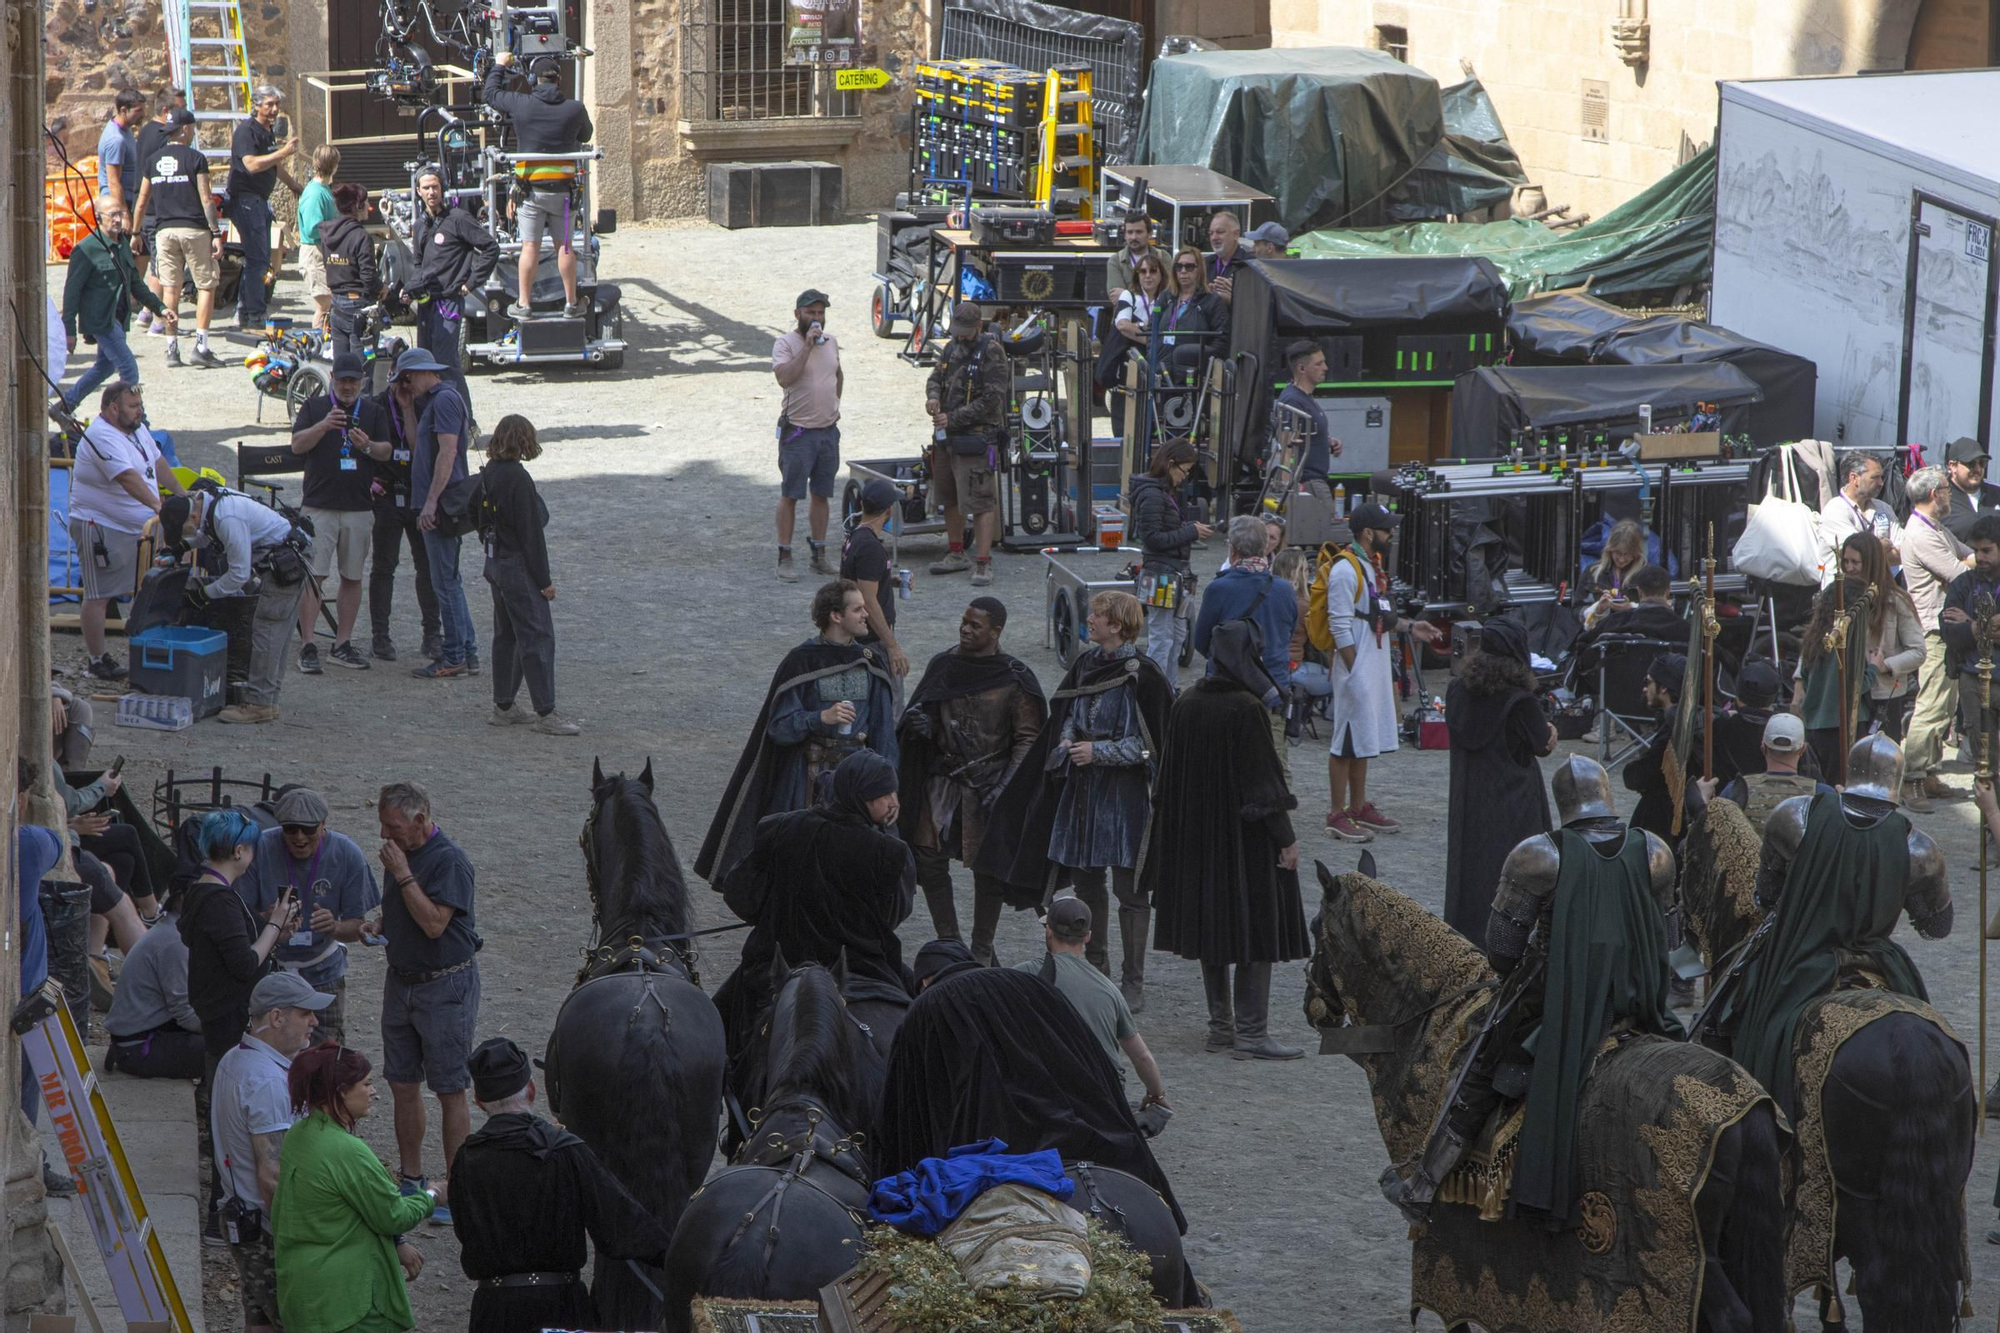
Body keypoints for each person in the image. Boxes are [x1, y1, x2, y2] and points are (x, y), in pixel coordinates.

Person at [1388, 756, 1681, 1226]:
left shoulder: (1539, 855)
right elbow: (1671, 942)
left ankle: (1424, 1185)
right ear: (1606, 795)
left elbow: (1501, 952)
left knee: (1480, 1057)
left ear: (1561, 800)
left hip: (1560, 995)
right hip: (1637, 994)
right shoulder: (1654, 851)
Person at [873, 965, 1194, 1306]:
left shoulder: (926, 1013)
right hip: (1073, 1131)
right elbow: (1085, 1066)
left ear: (923, 979)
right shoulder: (1026, 986)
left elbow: (904, 1115)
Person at [1724, 734, 1950, 1111]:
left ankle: (1750, 1092)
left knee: (1746, 1016)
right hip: (1879, 961)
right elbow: (1937, 926)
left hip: (1801, 954)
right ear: (1895, 779)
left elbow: (1766, 896)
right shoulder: (1919, 848)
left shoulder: (1795, 817)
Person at [979, 591, 1173, 997]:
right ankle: (1095, 970)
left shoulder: (1145, 675)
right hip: (1083, 795)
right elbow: (1067, 713)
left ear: (1116, 625)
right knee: (1087, 885)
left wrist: (1098, 751)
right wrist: (1067, 741)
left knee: (1129, 890)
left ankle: (1132, 983)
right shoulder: (1086, 663)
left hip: (1124, 800)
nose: (1089, 620)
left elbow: (1151, 747)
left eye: (1097, 616)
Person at [1151, 612, 1308, 1061]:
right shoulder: (1247, 709)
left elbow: (1167, 782)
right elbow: (1264, 785)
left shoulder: (1186, 704)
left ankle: (1221, 1028)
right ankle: (1252, 1034)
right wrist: (1286, 838)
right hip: (1244, 842)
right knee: (1258, 928)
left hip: (1197, 841)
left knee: (1212, 930)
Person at [448, 1038, 669, 1333]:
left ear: (478, 1101)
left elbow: (466, 1231)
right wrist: (676, 1256)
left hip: (494, 1311)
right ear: (532, 1090)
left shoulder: (466, 1159)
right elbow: (619, 1225)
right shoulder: (566, 1150)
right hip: (562, 1309)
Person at [713, 750, 916, 1060]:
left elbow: (740, 894)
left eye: (894, 791)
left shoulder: (779, 827)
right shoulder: (889, 851)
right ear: (860, 795)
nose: (894, 801)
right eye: (883, 793)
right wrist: (887, 832)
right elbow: (893, 916)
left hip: (776, 962)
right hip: (861, 967)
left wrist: (773, 911)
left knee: (714, 1025)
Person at [695, 581, 900, 884]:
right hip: (805, 779)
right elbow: (778, 728)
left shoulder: (870, 664)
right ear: (835, 616)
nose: (866, 614)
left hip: (857, 779)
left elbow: (884, 734)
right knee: (796, 861)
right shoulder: (802, 661)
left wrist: (888, 788)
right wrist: (819, 718)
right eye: (858, 609)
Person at [896, 598, 1046, 953]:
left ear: (995, 632)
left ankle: (981, 950)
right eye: (964, 622)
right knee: (928, 860)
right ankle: (950, 941)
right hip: (943, 783)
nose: (965, 629)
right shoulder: (944, 665)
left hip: (989, 785)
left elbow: (1028, 738)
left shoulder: (1015, 678)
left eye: (975, 626)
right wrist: (921, 726)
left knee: (989, 871)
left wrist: (1005, 789)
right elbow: (926, 716)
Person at [273, 1044, 437, 1333]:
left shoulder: (300, 1133)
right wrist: (432, 1195)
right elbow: (393, 1215)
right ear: (340, 1091)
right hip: (346, 1303)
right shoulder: (348, 1151)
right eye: (367, 1084)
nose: (374, 1091)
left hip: (303, 1291)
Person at [374, 780, 480, 1224]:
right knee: (401, 1083)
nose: (385, 837)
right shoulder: (399, 852)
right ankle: (411, 1179)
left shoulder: (449, 861)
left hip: (445, 988)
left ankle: (458, 1191)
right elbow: (403, 911)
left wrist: (403, 874)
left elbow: (436, 924)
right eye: (382, 826)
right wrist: (378, 925)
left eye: (393, 827)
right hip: (401, 981)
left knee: (450, 1089)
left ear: (421, 820)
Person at [213, 972, 333, 1333]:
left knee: (261, 1321)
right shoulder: (265, 1081)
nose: (314, 1021)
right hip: (267, 1230)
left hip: (245, 1219)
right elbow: (273, 1175)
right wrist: (305, 1236)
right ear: (277, 1017)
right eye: (305, 1013)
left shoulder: (235, 1058)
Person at [158, 481, 311, 724]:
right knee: (277, 632)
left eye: (185, 530)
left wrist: (203, 594)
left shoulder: (226, 516)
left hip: (285, 562)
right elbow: (207, 535)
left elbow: (238, 575)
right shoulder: (209, 502)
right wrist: (181, 547)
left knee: (267, 630)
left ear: (194, 515)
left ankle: (258, 704)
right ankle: (268, 700)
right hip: (289, 553)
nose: (188, 533)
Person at [1443, 617, 1556, 946]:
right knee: (1517, 875)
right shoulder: (1520, 701)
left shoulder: (1456, 691)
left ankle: (1469, 939)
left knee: (1473, 875)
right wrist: (1552, 731)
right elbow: (1542, 744)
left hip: (1470, 802)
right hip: (1513, 805)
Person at [241, 788, 380, 1046]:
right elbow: (239, 918)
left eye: (308, 829)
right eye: (291, 829)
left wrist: (336, 927)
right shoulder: (260, 849)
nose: (299, 837)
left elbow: (358, 926)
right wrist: (267, 919)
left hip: (323, 970)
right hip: (271, 968)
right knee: (270, 1050)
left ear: (323, 825)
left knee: (326, 1056)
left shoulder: (347, 854)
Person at [1012, 895, 1169, 1120]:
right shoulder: (1111, 990)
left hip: (1049, 1096)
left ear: (1048, 931)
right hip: (1104, 1098)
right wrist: (1157, 1096)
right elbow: (1142, 1056)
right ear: (1087, 937)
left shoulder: (1023, 974)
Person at [67, 382, 183, 679]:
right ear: (112, 408)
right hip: (101, 526)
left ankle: (144, 650)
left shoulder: (136, 428)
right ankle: (96, 660)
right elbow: (128, 479)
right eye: (133, 407)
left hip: (137, 527)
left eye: (140, 405)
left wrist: (183, 496)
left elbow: (158, 463)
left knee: (144, 588)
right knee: (99, 594)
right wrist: (161, 508)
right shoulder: (101, 436)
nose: (139, 411)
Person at [292, 351, 394, 673]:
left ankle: (342, 644)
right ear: (333, 380)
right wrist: (323, 426)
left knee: (352, 576)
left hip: (358, 508)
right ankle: (308, 644)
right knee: (314, 577)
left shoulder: (374, 411)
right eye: (342, 380)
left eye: (353, 381)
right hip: (319, 506)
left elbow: (386, 452)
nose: (348, 386)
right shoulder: (314, 407)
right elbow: (296, 446)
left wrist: (366, 447)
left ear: (362, 382)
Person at [480, 415, 578, 733]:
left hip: (495, 562)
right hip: (517, 566)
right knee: (537, 637)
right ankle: (546, 713)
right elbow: (532, 536)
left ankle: (503, 705)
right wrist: (545, 581)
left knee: (506, 635)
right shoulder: (519, 479)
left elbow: (471, 510)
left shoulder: (489, 472)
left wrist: (488, 537)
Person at [482, 51, 595, 318]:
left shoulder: (521, 103)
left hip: (531, 192)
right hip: (564, 193)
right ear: (558, 80)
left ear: (533, 79)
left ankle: (524, 304)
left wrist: (499, 65)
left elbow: (490, 94)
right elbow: (586, 134)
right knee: (564, 246)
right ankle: (571, 303)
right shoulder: (575, 108)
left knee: (529, 246)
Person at [389, 346, 479, 678]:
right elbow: (417, 448)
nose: (405, 384)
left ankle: (454, 656)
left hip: (440, 505)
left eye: (406, 378)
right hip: (438, 503)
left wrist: (430, 503)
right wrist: (408, 408)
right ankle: (467, 653)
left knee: (445, 583)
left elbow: (448, 452)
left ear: (423, 371)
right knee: (448, 581)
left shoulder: (444, 400)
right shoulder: (433, 402)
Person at [1314, 502, 1400, 837]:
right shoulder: (1346, 570)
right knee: (1346, 738)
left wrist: (1408, 627)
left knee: (1361, 735)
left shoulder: (1369, 566)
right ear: (1368, 533)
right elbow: (1339, 625)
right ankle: (1336, 813)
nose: (1390, 534)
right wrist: (1354, 668)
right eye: (1385, 529)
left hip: (1368, 660)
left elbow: (1374, 616)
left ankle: (1358, 806)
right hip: (1357, 663)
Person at [131, 108, 226, 369]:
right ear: (185, 129)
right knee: (206, 285)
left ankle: (171, 349)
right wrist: (216, 233)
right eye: (192, 128)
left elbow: (142, 201)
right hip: (194, 228)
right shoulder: (196, 158)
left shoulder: (153, 160)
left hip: (164, 231)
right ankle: (201, 346)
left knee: (170, 289)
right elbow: (206, 199)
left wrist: (135, 232)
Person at [1902, 464, 1974, 809]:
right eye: (1946, 489)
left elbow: (1967, 555)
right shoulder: (1920, 533)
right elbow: (1960, 572)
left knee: (1945, 703)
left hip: (1946, 627)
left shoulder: (1936, 527)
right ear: (1935, 494)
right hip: (1933, 628)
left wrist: (1974, 562)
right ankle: (1912, 778)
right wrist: (1973, 565)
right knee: (1931, 705)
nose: (1950, 494)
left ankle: (1928, 773)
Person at [924, 303, 1007, 586]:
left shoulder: (992, 351)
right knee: (949, 497)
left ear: (978, 328)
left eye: (965, 332)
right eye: (956, 332)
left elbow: (993, 399)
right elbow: (936, 376)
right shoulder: (950, 348)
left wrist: (954, 418)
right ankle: (956, 552)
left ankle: (983, 562)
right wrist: (933, 396)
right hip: (947, 438)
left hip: (976, 437)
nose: (960, 337)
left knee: (981, 500)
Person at [1194, 514, 1298, 739]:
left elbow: (1201, 643)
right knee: (1273, 767)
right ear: (1264, 548)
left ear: (1232, 550)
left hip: (1227, 691)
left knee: (1225, 762)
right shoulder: (1285, 590)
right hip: (1272, 689)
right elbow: (1287, 635)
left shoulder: (1218, 589)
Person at [61, 204, 174, 411]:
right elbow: (71, 293)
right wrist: (68, 330)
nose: (117, 219)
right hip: (101, 321)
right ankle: (137, 421)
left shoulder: (122, 245)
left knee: (104, 367)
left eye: (120, 213)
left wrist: (160, 308)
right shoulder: (86, 249)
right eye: (112, 214)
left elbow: (136, 284)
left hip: (119, 318)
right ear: (98, 217)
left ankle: (65, 406)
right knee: (129, 369)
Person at [368, 355, 442, 664]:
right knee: (385, 566)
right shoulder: (374, 406)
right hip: (385, 493)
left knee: (426, 566)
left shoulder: (423, 405)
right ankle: (380, 636)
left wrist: (409, 408)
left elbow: (416, 449)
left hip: (415, 493)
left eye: (410, 380)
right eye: (402, 379)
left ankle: (432, 635)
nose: (406, 386)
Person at [405, 167, 496, 414]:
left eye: (435, 186)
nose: (431, 192)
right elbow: (418, 264)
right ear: (418, 191)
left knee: (447, 365)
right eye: (426, 188)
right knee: (425, 364)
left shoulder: (458, 219)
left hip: (449, 304)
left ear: (442, 189)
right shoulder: (420, 225)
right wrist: (411, 289)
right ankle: (433, 418)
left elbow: (490, 248)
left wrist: (471, 282)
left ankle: (465, 422)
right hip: (426, 304)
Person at [772, 288, 844, 583]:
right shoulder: (785, 344)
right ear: (797, 314)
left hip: (827, 432)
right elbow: (784, 378)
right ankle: (785, 557)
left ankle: (819, 555)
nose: (816, 318)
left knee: (822, 494)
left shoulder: (832, 342)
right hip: (798, 434)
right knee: (791, 494)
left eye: (820, 313)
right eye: (810, 313)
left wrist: (834, 408)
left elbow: (838, 375)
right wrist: (808, 347)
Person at [1127, 439, 1211, 687]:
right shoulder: (1153, 495)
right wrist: (1191, 532)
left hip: (1172, 575)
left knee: (1175, 636)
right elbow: (1152, 538)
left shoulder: (1161, 493)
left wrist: (1188, 529)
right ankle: (1153, 691)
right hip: (1161, 575)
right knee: (1163, 639)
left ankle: (1168, 688)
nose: (1185, 477)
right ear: (1171, 464)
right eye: (1184, 470)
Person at [103, 889, 205, 1079]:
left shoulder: (173, 929)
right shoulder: (176, 941)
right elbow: (186, 1014)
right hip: (137, 1048)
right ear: (183, 896)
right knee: (228, 1050)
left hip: (140, 1036)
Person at [223, 87, 302, 331]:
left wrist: (294, 186)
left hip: (259, 201)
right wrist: (284, 151)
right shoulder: (246, 131)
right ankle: (254, 315)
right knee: (258, 260)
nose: (274, 109)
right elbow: (251, 165)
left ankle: (247, 312)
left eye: (276, 104)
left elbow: (274, 165)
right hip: (246, 201)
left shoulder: (267, 132)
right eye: (269, 104)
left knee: (258, 260)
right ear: (256, 105)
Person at [1793, 565, 1874, 784]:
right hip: (1843, 725)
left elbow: (1807, 680)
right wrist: (1875, 667)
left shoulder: (1815, 637)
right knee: (1845, 786)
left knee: (1825, 785)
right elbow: (1855, 686)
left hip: (1815, 727)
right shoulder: (1848, 643)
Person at [1846, 529, 1924, 742]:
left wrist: (1885, 665)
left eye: (1856, 562)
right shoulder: (1837, 597)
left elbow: (1918, 651)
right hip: (1847, 694)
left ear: (1870, 563)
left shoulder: (1896, 600)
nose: (1849, 568)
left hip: (1883, 696)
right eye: (1846, 562)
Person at [840, 478, 911, 705]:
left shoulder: (854, 536)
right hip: (873, 643)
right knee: (889, 709)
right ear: (889, 511)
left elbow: (856, 582)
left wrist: (889, 579)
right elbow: (867, 600)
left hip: (858, 640)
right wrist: (892, 646)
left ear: (862, 506)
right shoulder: (871, 547)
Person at [1695, 713, 1827, 832]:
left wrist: (1703, 800)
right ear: (1803, 749)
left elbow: (1711, 835)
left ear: (1763, 747)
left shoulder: (1735, 790)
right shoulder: (1823, 795)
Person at [1621, 652, 1688, 845]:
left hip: (1665, 822)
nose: (1644, 688)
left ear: (1664, 687)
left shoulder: (1674, 732)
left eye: (1648, 682)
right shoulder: (1676, 723)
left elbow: (1641, 774)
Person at [133, 91, 180, 323]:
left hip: (145, 207)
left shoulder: (145, 131)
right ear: (165, 111)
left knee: (155, 260)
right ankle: (157, 319)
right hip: (154, 208)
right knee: (161, 264)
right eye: (177, 110)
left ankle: (145, 312)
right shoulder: (161, 134)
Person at [1273, 340, 1340, 504]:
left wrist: (1327, 441)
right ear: (1302, 369)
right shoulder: (1293, 402)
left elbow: (1305, 435)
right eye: (1319, 364)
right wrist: (1289, 493)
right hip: (1308, 485)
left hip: (1315, 482)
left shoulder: (1305, 397)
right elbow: (1286, 448)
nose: (1325, 368)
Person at [1817, 451, 1899, 581]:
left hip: (1879, 592)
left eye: (1881, 477)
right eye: (1875, 477)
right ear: (1854, 478)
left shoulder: (1884, 508)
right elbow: (1856, 553)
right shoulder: (1835, 510)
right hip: (1844, 594)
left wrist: (1873, 552)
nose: (1881, 483)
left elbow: (1903, 553)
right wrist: (1885, 545)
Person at [322, 183, 381, 360]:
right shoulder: (360, 236)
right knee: (362, 367)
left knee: (341, 367)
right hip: (357, 308)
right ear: (358, 206)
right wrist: (382, 288)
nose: (370, 207)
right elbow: (368, 277)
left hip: (336, 305)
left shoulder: (327, 233)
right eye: (366, 203)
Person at [297, 145, 342, 334]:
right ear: (334, 166)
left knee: (330, 304)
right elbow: (312, 227)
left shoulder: (324, 189)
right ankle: (319, 346)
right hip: (313, 254)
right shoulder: (315, 193)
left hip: (322, 252)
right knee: (325, 305)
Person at [1581, 519, 1650, 629]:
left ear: (1636, 553)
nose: (1621, 559)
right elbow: (1577, 609)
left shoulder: (1647, 574)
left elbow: (1655, 611)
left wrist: (1631, 608)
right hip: (1600, 634)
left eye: (1627, 554)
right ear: (1610, 550)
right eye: (1617, 553)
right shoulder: (1592, 571)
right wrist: (1598, 609)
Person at [96, 89, 147, 215]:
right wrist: (124, 215)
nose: (144, 114)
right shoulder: (116, 140)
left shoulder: (125, 130)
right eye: (138, 110)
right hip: (119, 204)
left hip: (128, 201)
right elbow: (113, 182)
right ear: (124, 110)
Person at [1940, 436, 1999, 542]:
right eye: (1971, 463)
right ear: (1952, 466)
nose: (1978, 469)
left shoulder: (1996, 493)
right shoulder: (1938, 497)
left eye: (1982, 463)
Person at [1106, 211, 1168, 297]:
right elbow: (1117, 299)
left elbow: (1170, 294)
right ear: (1125, 235)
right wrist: (1151, 295)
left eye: (1139, 232)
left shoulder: (1163, 257)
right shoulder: (1115, 261)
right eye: (1130, 232)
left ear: (1149, 234)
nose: (1133, 237)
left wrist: (1127, 295)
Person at [1205, 210, 1247, 302]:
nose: (1214, 238)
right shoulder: (1204, 264)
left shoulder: (1249, 265)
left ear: (1236, 234)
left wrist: (1235, 299)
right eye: (1211, 233)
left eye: (1220, 232)